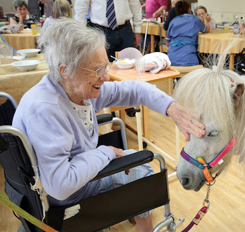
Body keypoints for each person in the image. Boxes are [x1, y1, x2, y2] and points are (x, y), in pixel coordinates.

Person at [12, 19, 205, 232]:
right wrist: (106, 152)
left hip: (75, 177)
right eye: (97, 69)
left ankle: (133, 206)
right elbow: (60, 185)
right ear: (65, 70)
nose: (105, 76)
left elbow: (135, 90)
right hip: (65, 198)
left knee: (132, 163)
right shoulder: (45, 108)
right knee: (143, 172)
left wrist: (171, 108)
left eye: (106, 66)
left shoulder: (74, 88)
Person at [75, 0, 142, 63]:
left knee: (129, 66)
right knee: (103, 67)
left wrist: (137, 29)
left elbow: (135, 5)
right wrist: (82, 34)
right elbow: (80, 10)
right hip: (100, 31)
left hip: (125, 30)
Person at [166, 0, 209, 66]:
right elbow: (206, 30)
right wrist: (205, 18)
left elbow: (167, 43)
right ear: (189, 9)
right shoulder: (195, 20)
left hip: (171, 61)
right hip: (189, 60)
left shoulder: (173, 21)